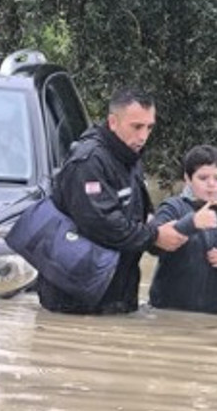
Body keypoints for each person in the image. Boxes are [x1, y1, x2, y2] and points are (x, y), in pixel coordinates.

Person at [37, 87, 187, 314]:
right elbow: (102, 225)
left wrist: (159, 227)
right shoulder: (88, 162)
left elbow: (137, 212)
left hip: (114, 292)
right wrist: (155, 236)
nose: (143, 136)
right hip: (76, 300)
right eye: (136, 126)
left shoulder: (129, 156)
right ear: (113, 122)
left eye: (149, 127)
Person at [149, 144, 217, 316]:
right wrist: (190, 223)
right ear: (187, 178)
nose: (211, 184)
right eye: (203, 178)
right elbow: (151, 244)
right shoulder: (172, 208)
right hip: (168, 314)